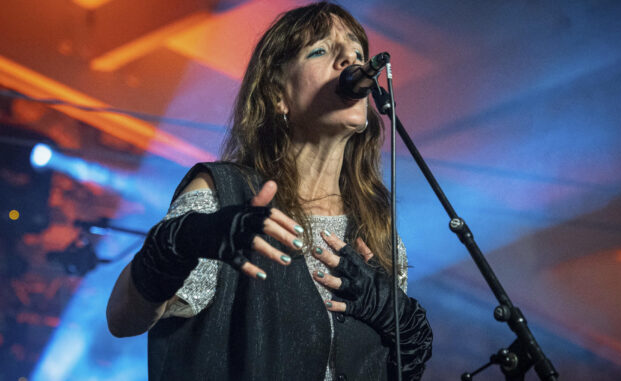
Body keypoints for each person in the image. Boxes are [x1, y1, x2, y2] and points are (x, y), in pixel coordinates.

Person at [106, 2, 433, 380]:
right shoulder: (224, 193)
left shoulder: (374, 226)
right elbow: (122, 317)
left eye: (357, 52)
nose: (349, 58)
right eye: (321, 50)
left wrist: (394, 313)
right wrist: (187, 238)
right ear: (279, 95)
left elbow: (398, 371)